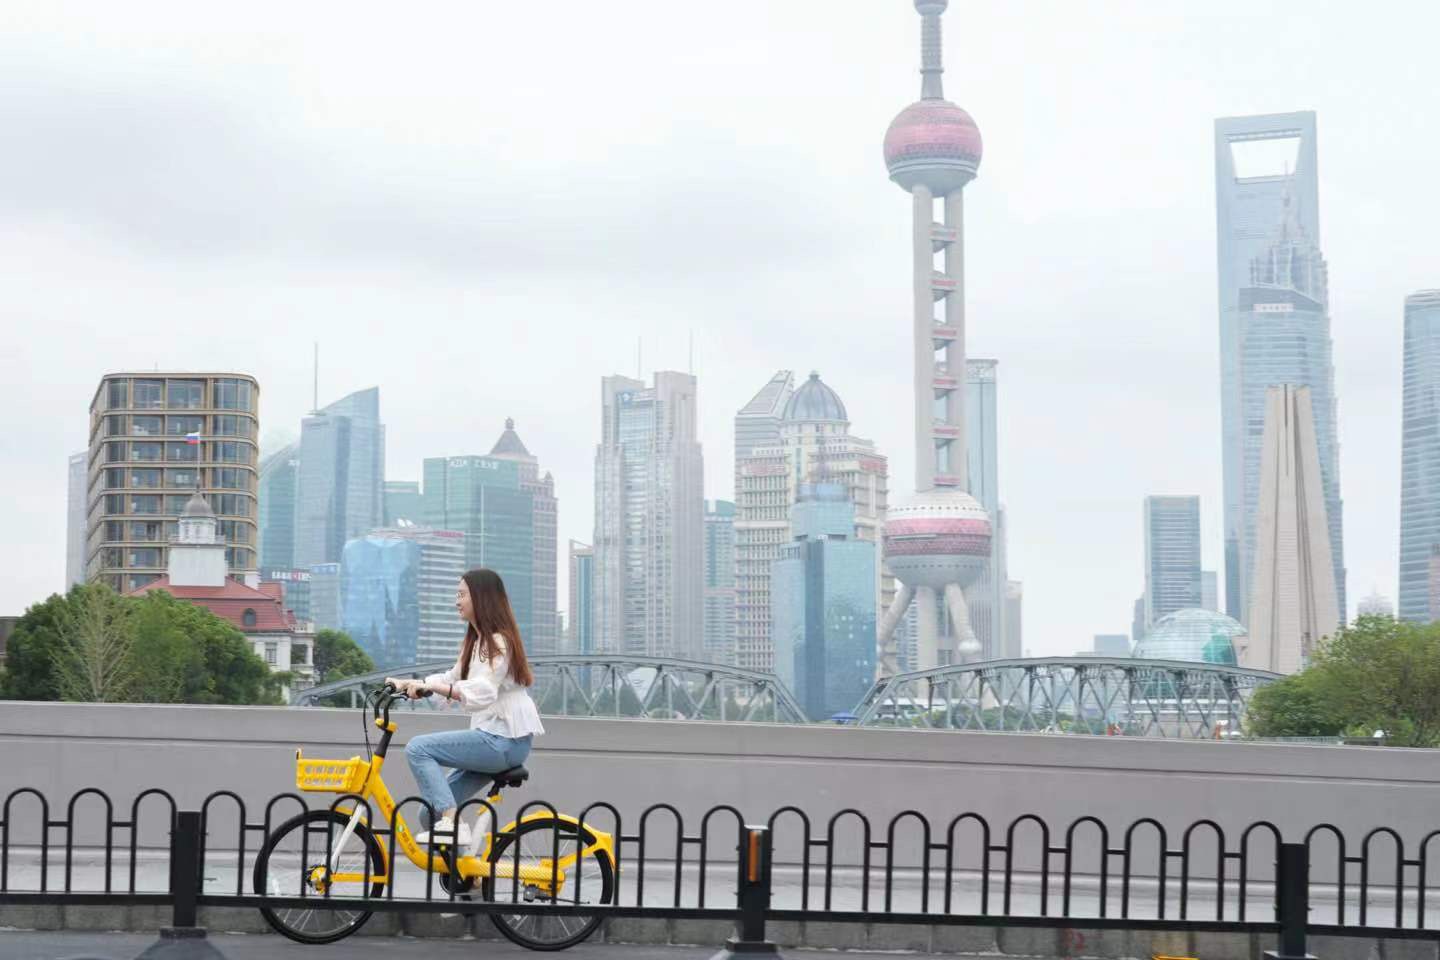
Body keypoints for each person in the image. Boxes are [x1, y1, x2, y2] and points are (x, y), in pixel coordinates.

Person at [385, 567, 545, 847]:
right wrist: (416, 684)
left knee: (418, 748)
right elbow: (451, 679)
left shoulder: (499, 642)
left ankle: (452, 821)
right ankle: (467, 884)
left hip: (505, 740)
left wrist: (437, 688)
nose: (456, 601)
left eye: (461, 595)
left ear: (481, 598)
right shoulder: (476, 642)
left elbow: (483, 691)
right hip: (493, 738)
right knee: (428, 814)